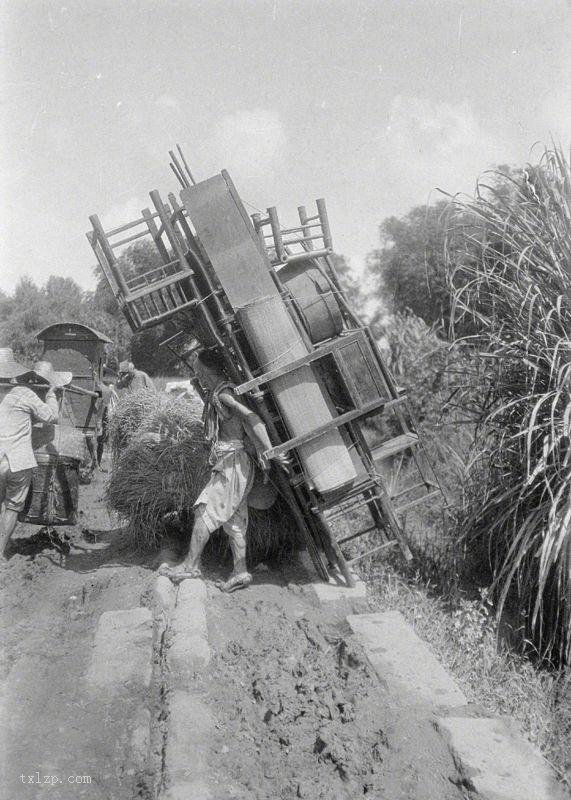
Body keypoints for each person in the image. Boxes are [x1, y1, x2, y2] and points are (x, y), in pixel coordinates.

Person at [159, 349, 289, 592]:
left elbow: (252, 418)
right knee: (234, 522)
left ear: (209, 370)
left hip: (233, 463)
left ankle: (189, 565)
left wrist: (271, 450)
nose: (197, 373)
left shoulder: (225, 394)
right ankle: (240, 572)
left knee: (203, 510)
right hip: (236, 463)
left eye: (199, 369)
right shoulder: (218, 393)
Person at [0, 350, 66, 560]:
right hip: (17, 462)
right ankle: (1, 552)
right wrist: (50, 393)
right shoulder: (23, 392)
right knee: (12, 507)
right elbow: (51, 416)